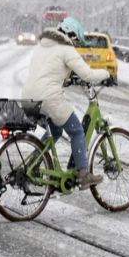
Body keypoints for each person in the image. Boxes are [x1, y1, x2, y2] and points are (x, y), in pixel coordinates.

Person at [21, 17, 110, 190]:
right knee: (77, 131)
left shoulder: (42, 46)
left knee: (55, 131)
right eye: (76, 39)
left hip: (29, 98)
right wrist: (107, 74)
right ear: (70, 35)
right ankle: (83, 175)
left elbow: (49, 70)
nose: (75, 44)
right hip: (48, 97)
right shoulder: (66, 49)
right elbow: (89, 75)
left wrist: (67, 77)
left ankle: (31, 165)